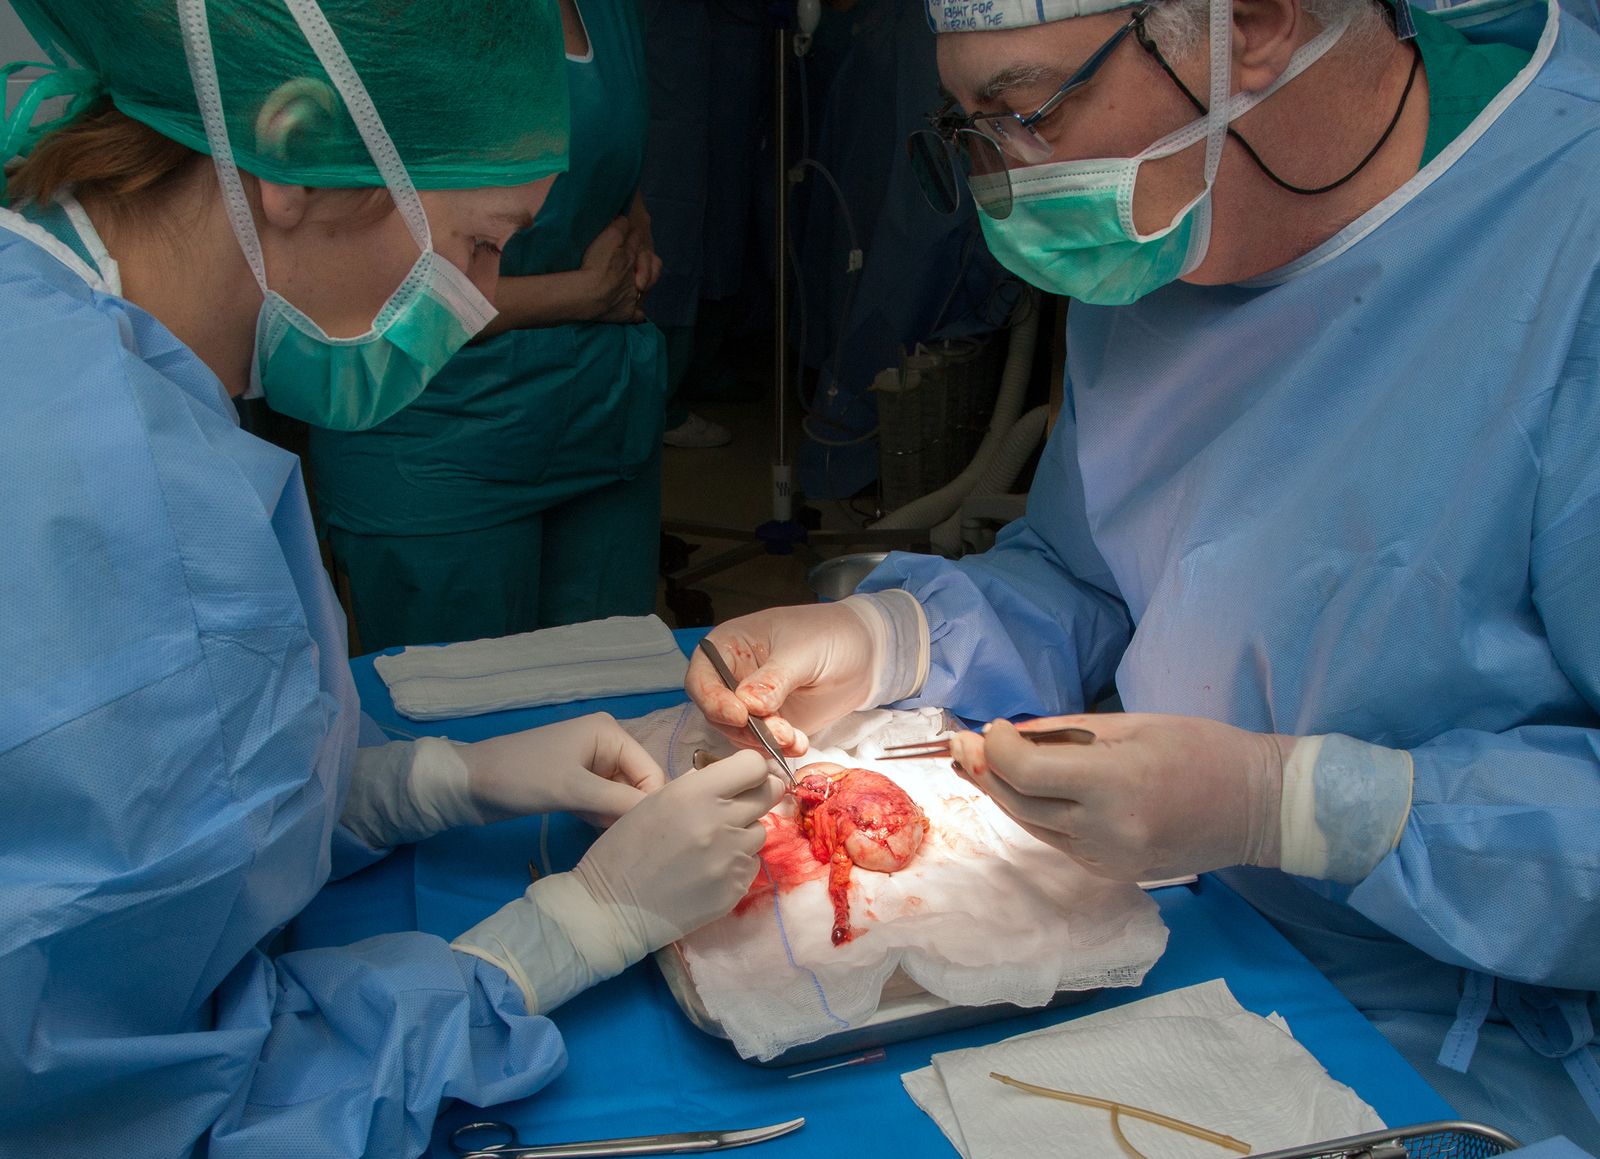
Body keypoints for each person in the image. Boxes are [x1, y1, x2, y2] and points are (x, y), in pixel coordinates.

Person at [685, 0, 1600, 1146]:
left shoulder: (1568, 250)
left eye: (1023, 113)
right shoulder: (1177, 222)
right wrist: (895, 639)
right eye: (971, 131)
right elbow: (1099, 577)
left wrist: (1302, 807)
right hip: (1192, 926)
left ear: (1252, 24)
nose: (1005, 181)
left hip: (1489, 1034)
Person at [0, 1, 783, 1155]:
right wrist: (573, 928)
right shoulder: (130, 516)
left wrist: (418, 783)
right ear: (296, 150)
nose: (479, 300)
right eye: (480, 246)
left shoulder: (56, 311)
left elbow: (150, 807)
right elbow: (138, 1106)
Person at [306, 0, 672, 652]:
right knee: (468, 736)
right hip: (436, 445)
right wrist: (580, 293)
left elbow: (605, 155)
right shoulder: (377, 20)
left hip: (599, 419)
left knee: (612, 714)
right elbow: (355, 283)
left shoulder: (608, 13)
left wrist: (632, 230)